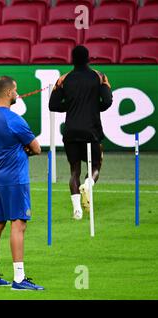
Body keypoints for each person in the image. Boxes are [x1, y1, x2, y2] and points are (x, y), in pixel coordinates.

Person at [0, 76, 44, 290]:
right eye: (15, 90)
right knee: (18, 224)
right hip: (15, 178)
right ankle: (19, 279)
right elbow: (36, 148)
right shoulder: (14, 119)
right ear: (8, 93)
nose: (17, 93)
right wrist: (24, 149)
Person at [49, 45, 113, 220]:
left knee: (74, 170)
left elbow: (53, 105)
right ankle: (89, 183)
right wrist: (94, 106)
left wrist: (69, 105)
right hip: (91, 130)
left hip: (71, 131)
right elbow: (107, 101)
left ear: (72, 59)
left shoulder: (64, 79)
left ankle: (77, 210)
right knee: (96, 164)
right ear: (88, 59)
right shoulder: (99, 77)